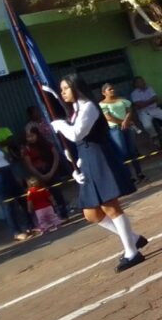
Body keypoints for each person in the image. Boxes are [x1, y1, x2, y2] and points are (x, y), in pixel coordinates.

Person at [51, 74, 147, 272]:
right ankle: (134, 238)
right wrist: (78, 164)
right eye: (61, 89)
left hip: (100, 159)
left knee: (110, 207)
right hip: (88, 159)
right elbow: (81, 141)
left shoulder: (88, 106)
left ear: (77, 88)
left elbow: (77, 133)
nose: (62, 93)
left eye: (66, 88)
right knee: (91, 213)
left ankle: (132, 252)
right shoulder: (77, 108)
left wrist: (60, 125)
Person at [0, 121, 34, 241]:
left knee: (22, 198)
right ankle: (16, 232)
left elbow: (5, 157)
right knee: (8, 205)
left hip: (8, 172)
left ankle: (30, 225)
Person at [20, 126, 70, 219]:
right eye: (28, 137)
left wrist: (51, 172)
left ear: (37, 135)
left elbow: (56, 157)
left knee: (57, 193)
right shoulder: (26, 149)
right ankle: (53, 216)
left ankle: (63, 214)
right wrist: (40, 176)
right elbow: (29, 164)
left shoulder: (47, 144)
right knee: (45, 195)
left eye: (32, 136)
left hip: (51, 170)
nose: (30, 138)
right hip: (38, 175)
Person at [99, 83, 145, 183]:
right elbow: (108, 117)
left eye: (113, 88)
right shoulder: (103, 104)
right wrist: (122, 122)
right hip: (115, 128)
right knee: (122, 152)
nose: (112, 90)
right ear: (104, 93)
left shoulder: (122, 100)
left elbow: (129, 111)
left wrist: (126, 121)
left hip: (127, 127)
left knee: (132, 151)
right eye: (109, 89)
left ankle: (139, 173)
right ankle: (128, 176)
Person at [129, 77, 162, 147]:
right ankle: (154, 136)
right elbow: (140, 104)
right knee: (147, 126)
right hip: (144, 112)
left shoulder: (149, 88)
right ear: (136, 84)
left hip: (155, 109)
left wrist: (145, 103)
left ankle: (161, 131)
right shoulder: (134, 93)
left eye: (143, 81)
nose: (143, 82)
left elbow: (155, 98)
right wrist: (150, 101)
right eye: (140, 82)